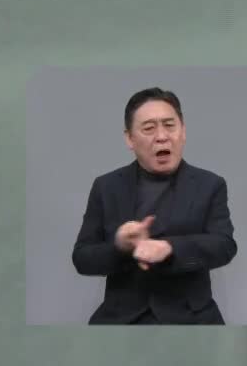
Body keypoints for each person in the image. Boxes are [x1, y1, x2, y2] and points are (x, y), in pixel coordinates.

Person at [70, 87, 237, 324]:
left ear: (183, 131)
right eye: (149, 128)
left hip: (191, 317)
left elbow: (224, 246)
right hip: (121, 318)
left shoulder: (210, 184)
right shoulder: (106, 186)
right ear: (129, 138)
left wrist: (169, 248)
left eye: (170, 125)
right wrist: (120, 246)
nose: (161, 136)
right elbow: (82, 258)